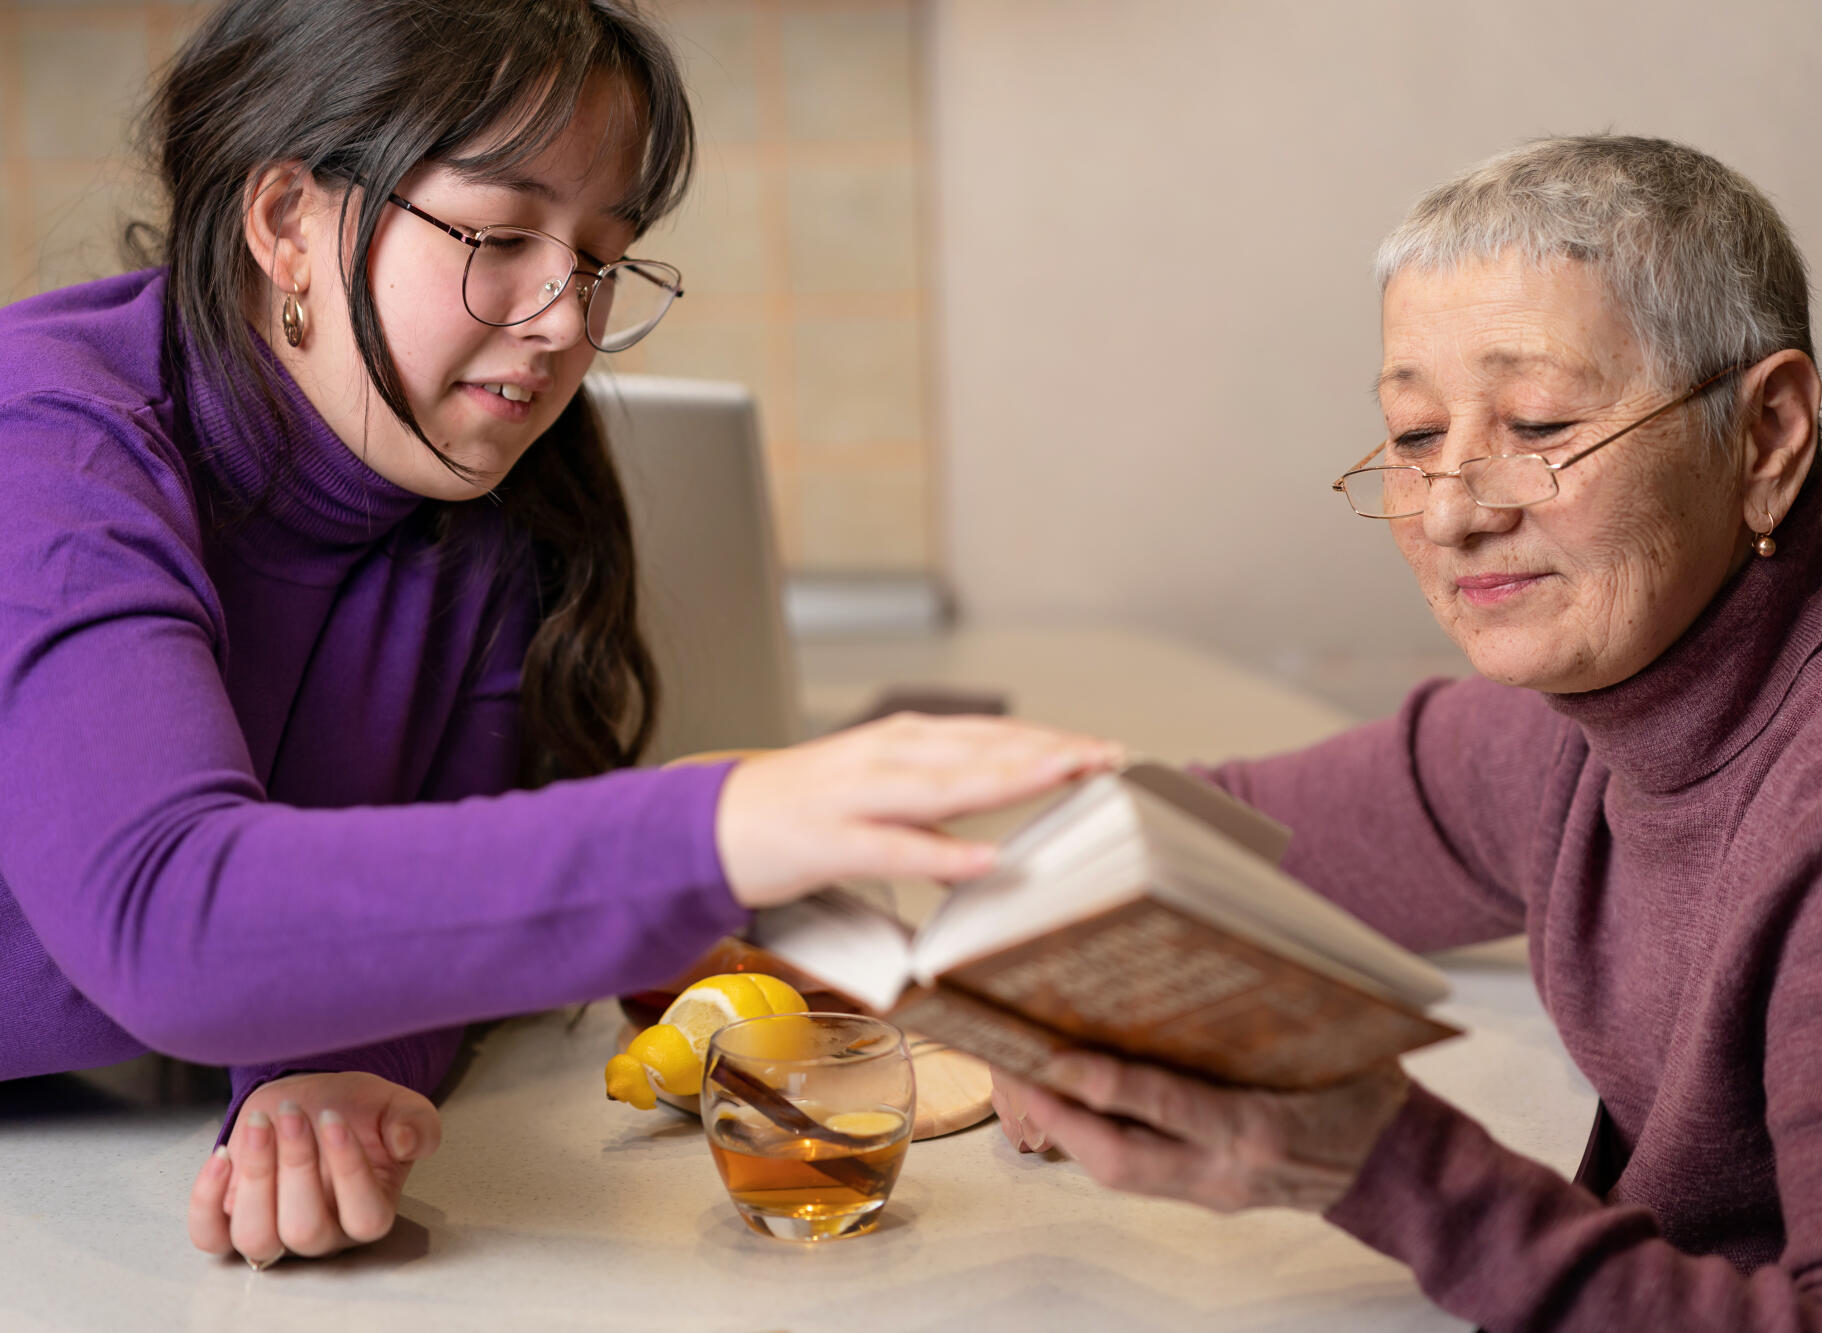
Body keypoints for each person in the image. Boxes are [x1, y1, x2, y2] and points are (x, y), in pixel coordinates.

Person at [0, 0, 1118, 1272]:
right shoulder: (49, 436)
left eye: (597, 260)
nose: (563, 323)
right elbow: (165, 913)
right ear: (284, 222)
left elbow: (442, 886)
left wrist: (327, 1066)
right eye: (499, 235)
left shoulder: (485, 503)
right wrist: (723, 821)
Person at [992, 136, 1822, 1330]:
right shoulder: (1588, 710)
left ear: (1767, 432)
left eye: (1536, 422)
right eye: (1414, 437)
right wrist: (1021, 957)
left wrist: (1378, 1163)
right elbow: (1195, 834)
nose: (1454, 508)